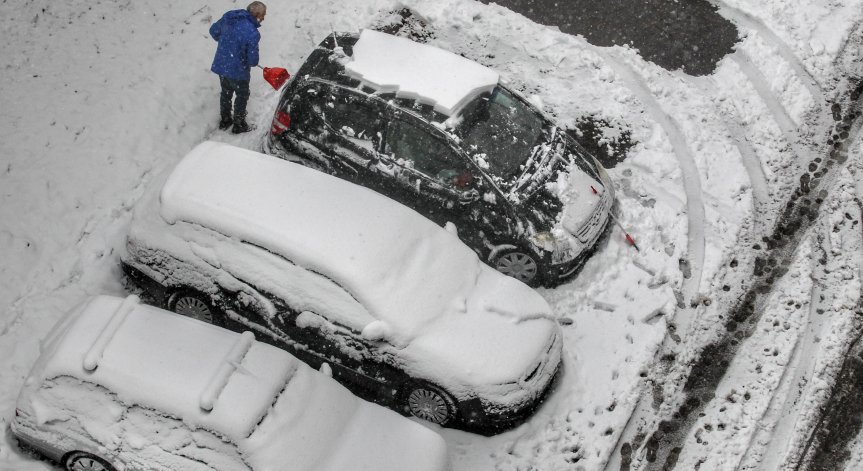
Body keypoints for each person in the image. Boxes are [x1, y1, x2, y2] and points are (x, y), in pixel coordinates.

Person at [209, 2, 267, 134]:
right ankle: (239, 124)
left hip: (222, 65)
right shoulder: (252, 33)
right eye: (263, 15)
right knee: (242, 95)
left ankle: (225, 120)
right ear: (257, 14)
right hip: (238, 71)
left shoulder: (229, 17)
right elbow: (252, 61)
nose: (263, 18)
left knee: (226, 93)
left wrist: (227, 42)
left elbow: (213, 31)